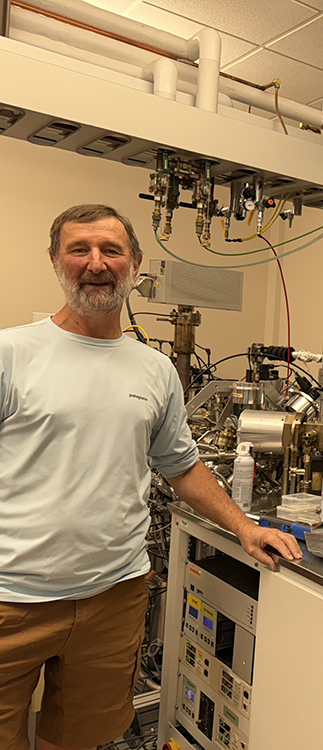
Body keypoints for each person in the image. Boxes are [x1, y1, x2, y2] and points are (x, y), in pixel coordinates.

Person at [0, 204, 302, 750]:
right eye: (79, 249)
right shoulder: (11, 353)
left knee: (79, 739)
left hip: (113, 596)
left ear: (134, 264)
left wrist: (244, 526)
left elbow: (181, 465)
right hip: (12, 597)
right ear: (55, 261)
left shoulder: (154, 370)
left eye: (111, 250)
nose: (96, 263)